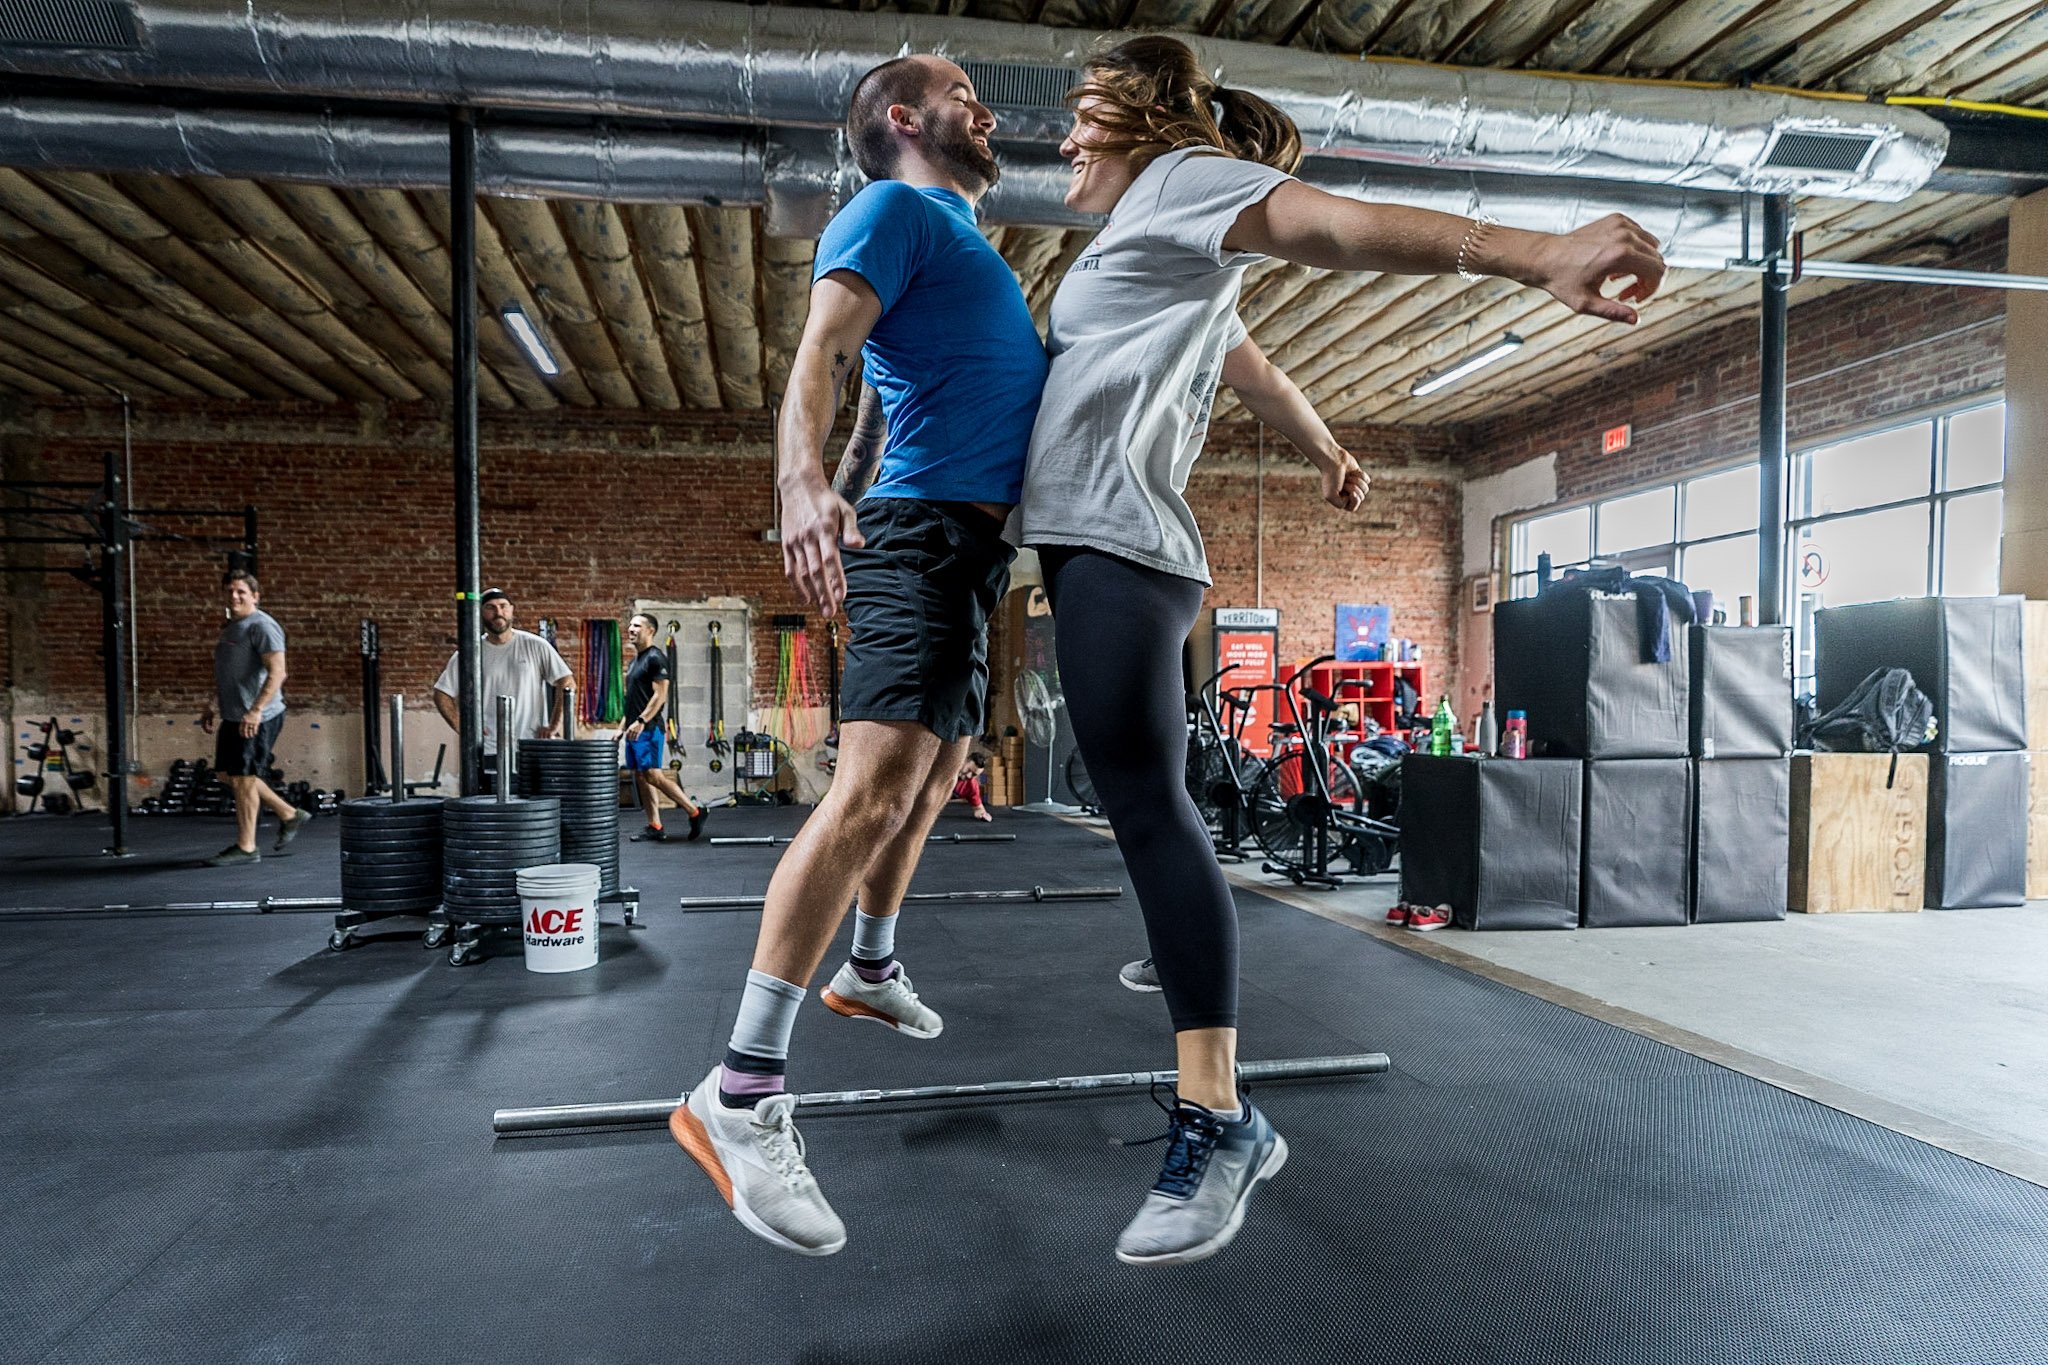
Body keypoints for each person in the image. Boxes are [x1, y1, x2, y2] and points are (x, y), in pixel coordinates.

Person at [1012, 35, 1666, 1265]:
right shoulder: (1143, 238)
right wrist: (1322, 452)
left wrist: (1537, 256)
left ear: (1143, 120)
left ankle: (1218, 1112)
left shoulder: (1178, 180)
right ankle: (1189, 968)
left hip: (1120, 545)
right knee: (1143, 805)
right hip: (1104, 544)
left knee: (1148, 809)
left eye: (1082, 116)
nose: (1064, 141)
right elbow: (1249, 361)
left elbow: (1338, 225)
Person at [667, 54, 1045, 1258]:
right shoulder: (890, 205)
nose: (982, 107)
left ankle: (869, 965)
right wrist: (799, 481)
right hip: (921, 537)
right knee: (870, 790)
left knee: (934, 780)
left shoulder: (960, 241)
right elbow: (823, 351)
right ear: (900, 119)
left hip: (967, 553)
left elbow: (907, 385)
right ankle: (736, 1095)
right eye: (958, 92)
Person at [199, 570, 309, 865]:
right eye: (230, 591)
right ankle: (288, 813)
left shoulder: (263, 626)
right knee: (226, 774)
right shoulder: (231, 628)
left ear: (255, 596)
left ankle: (247, 847)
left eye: (241, 592)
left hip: (258, 715)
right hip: (234, 715)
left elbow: (278, 672)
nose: (234, 596)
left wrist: (256, 710)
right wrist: (212, 705)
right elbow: (227, 674)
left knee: (244, 778)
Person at [432, 587, 575, 785]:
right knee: (490, 809)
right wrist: (464, 728)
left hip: (531, 746)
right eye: (490, 607)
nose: (498, 612)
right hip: (488, 748)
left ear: (512, 610)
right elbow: (442, 693)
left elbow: (566, 682)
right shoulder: (469, 652)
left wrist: (554, 725)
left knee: (535, 810)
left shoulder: (536, 645)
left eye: (503, 606)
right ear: (480, 613)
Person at [620, 612, 705, 842]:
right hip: (635, 728)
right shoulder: (635, 661)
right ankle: (655, 825)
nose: (631, 629)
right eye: (630, 625)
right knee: (641, 776)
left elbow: (660, 696)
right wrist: (622, 727)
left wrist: (641, 721)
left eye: (637, 625)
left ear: (651, 631)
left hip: (649, 728)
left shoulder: (656, 658)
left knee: (653, 775)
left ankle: (694, 811)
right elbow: (632, 700)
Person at [951, 752, 995, 822]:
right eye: (969, 770)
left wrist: (982, 814)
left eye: (974, 775)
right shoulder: (948, 769)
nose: (969, 775)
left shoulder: (972, 786)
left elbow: (979, 809)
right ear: (964, 761)